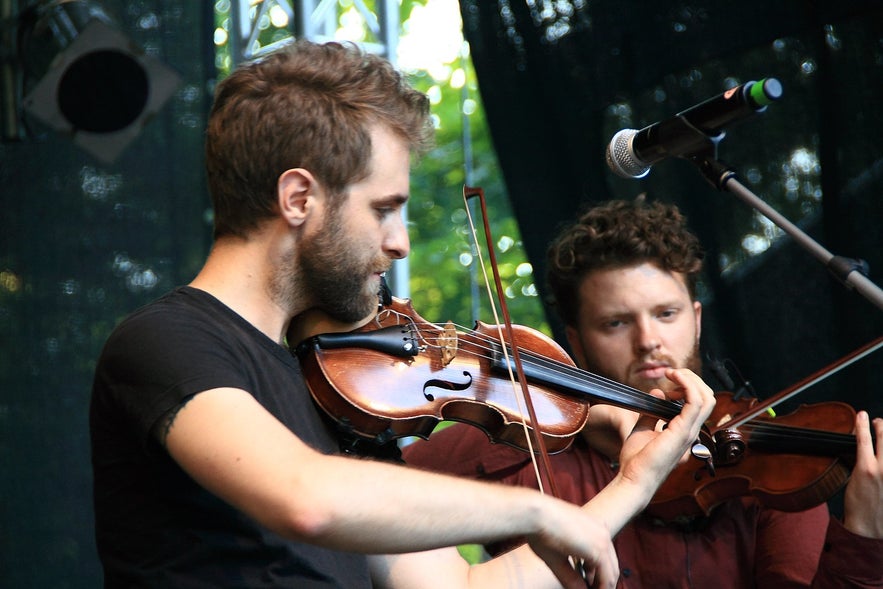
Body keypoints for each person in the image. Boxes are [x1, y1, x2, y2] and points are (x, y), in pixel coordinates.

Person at [88, 41, 718, 589]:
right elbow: (304, 498)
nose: (400, 242)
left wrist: (633, 483)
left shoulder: (339, 392)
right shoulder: (164, 343)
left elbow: (465, 586)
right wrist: (539, 512)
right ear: (299, 197)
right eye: (384, 208)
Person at [403, 198, 883, 588]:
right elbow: (370, 504)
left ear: (696, 319)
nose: (648, 340)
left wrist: (864, 536)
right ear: (576, 339)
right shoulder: (519, 433)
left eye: (666, 314)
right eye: (616, 322)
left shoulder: (766, 459)